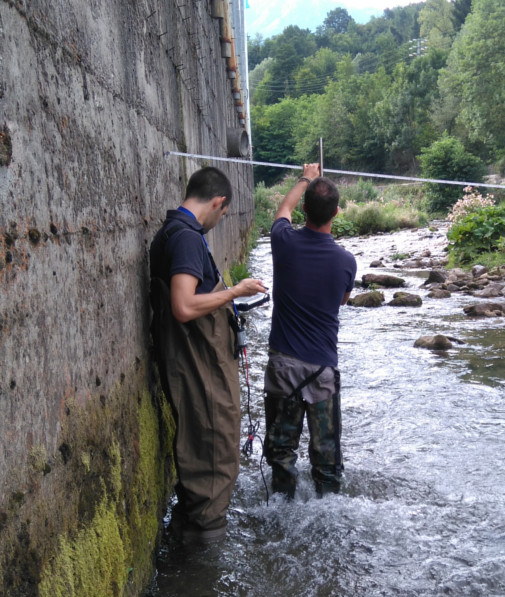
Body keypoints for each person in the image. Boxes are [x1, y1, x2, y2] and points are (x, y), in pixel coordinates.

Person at [149, 166, 267, 543]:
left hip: (196, 362)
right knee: (213, 449)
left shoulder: (175, 232)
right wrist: (235, 292)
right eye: (224, 212)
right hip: (197, 365)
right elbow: (183, 306)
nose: (222, 218)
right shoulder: (185, 239)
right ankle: (203, 554)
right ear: (218, 202)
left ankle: (192, 535)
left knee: (207, 447)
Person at [263, 163, 357, 499]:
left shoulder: (283, 241)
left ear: (305, 209)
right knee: (328, 459)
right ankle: (329, 506)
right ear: (336, 213)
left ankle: (281, 507)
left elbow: (283, 208)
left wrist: (305, 176)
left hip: (283, 369)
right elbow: (342, 300)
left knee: (281, 454)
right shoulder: (347, 262)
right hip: (322, 373)